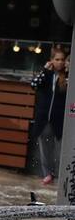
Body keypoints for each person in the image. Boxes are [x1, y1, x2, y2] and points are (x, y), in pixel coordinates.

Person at [31, 44, 68, 186]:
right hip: (44, 118)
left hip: (59, 119)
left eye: (62, 59)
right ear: (52, 60)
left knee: (59, 149)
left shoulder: (67, 77)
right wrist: (45, 70)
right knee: (44, 147)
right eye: (57, 59)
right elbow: (34, 84)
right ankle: (48, 174)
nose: (60, 62)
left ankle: (60, 174)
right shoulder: (47, 74)